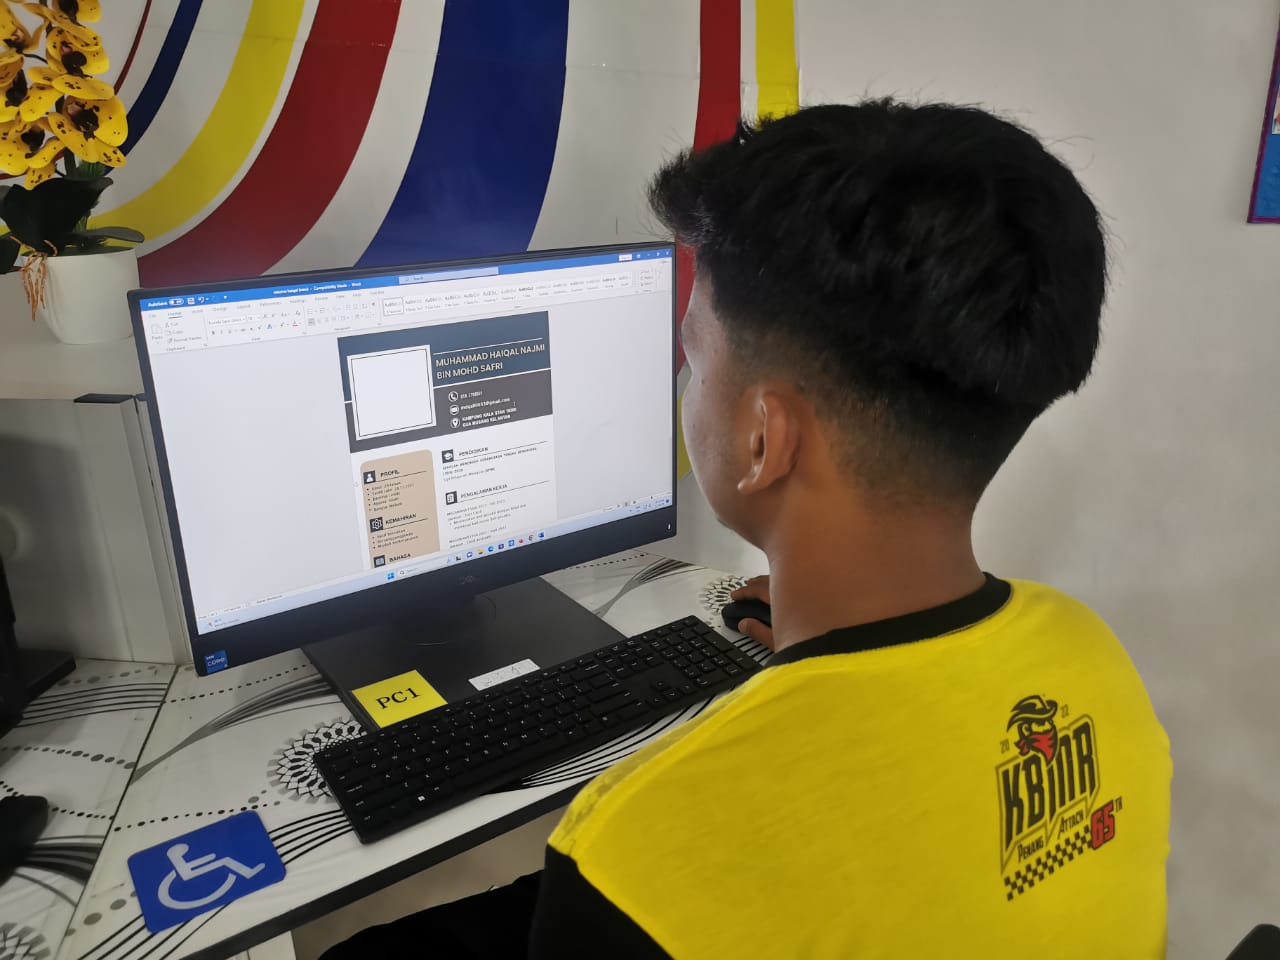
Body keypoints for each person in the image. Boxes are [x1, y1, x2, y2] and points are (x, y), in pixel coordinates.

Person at [324, 99, 1171, 959]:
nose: (686, 385)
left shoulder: (637, 847)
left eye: (693, 357)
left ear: (765, 439)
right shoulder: (1092, 657)